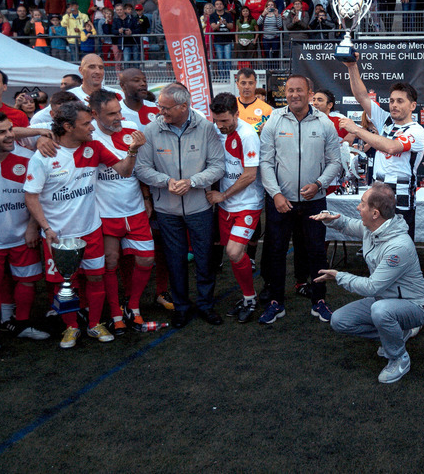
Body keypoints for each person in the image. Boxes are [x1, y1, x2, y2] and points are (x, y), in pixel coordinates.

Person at [24, 101, 145, 348]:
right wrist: (46, 228)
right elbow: (31, 196)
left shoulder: (94, 147)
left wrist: (132, 151)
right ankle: (71, 327)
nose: (92, 127)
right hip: (59, 236)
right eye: (86, 123)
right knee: (64, 284)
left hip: (91, 230)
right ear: (68, 127)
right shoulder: (43, 156)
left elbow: (123, 170)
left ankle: (93, 324)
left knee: (96, 278)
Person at [313, 183, 424, 383]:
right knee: (339, 321)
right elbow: (347, 224)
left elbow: (371, 287)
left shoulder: (398, 246)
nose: (358, 207)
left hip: (413, 305)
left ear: (375, 213)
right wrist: (329, 217)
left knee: (381, 311)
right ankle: (396, 334)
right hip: (382, 300)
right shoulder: (373, 228)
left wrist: (339, 276)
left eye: (362, 204)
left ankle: (399, 358)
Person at [134, 83, 225, 328]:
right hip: (167, 210)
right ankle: (182, 308)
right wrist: (167, 182)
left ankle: (206, 305)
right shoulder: (151, 130)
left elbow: (218, 166)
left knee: (205, 260)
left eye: (165, 108)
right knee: (175, 261)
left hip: (200, 209)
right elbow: (141, 168)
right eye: (160, 107)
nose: (160, 111)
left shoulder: (205, 127)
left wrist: (193, 182)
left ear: (184, 106)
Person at [258, 75, 341, 324]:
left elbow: (335, 161)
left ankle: (319, 301)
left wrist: (318, 184)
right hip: (281, 202)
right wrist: (276, 194)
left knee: (316, 252)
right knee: (276, 251)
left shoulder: (325, 122)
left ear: (309, 92)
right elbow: (265, 162)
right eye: (290, 90)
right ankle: (276, 302)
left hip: (314, 201)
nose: (294, 95)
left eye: (299, 90)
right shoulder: (274, 119)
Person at [86, 89, 155, 335]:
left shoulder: (130, 126)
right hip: (105, 212)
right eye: (111, 114)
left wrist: (146, 196)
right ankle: (115, 314)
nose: (118, 117)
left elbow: (140, 168)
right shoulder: (88, 135)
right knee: (111, 261)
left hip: (135, 208)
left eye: (119, 111)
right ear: (95, 114)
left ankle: (132, 305)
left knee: (147, 258)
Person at [341, 59, 424, 239]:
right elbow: (361, 96)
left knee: (399, 247)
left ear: (412, 106)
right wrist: (352, 66)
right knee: (376, 242)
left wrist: (357, 130)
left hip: (401, 199)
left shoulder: (416, 130)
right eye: (392, 101)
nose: (394, 105)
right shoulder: (385, 120)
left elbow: (391, 147)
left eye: (400, 101)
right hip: (378, 194)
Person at [205, 93, 264, 324]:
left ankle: (250, 298)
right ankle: (247, 296)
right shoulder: (216, 129)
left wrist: (222, 194)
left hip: (247, 204)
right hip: (226, 206)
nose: (220, 126)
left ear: (237, 114)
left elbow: (250, 175)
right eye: (217, 121)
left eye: (225, 121)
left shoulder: (247, 135)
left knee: (233, 252)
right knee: (234, 255)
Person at [0, 111, 48, 346]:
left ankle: (23, 324)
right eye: (1, 133)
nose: (10, 136)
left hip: (22, 234)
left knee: (27, 280)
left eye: (10, 130)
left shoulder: (28, 158)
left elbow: (39, 196)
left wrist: (31, 227)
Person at [235, 68, 273, 134]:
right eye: (243, 83)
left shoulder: (267, 109)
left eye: (250, 83)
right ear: (237, 84)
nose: (247, 87)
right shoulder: (230, 105)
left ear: (255, 84)